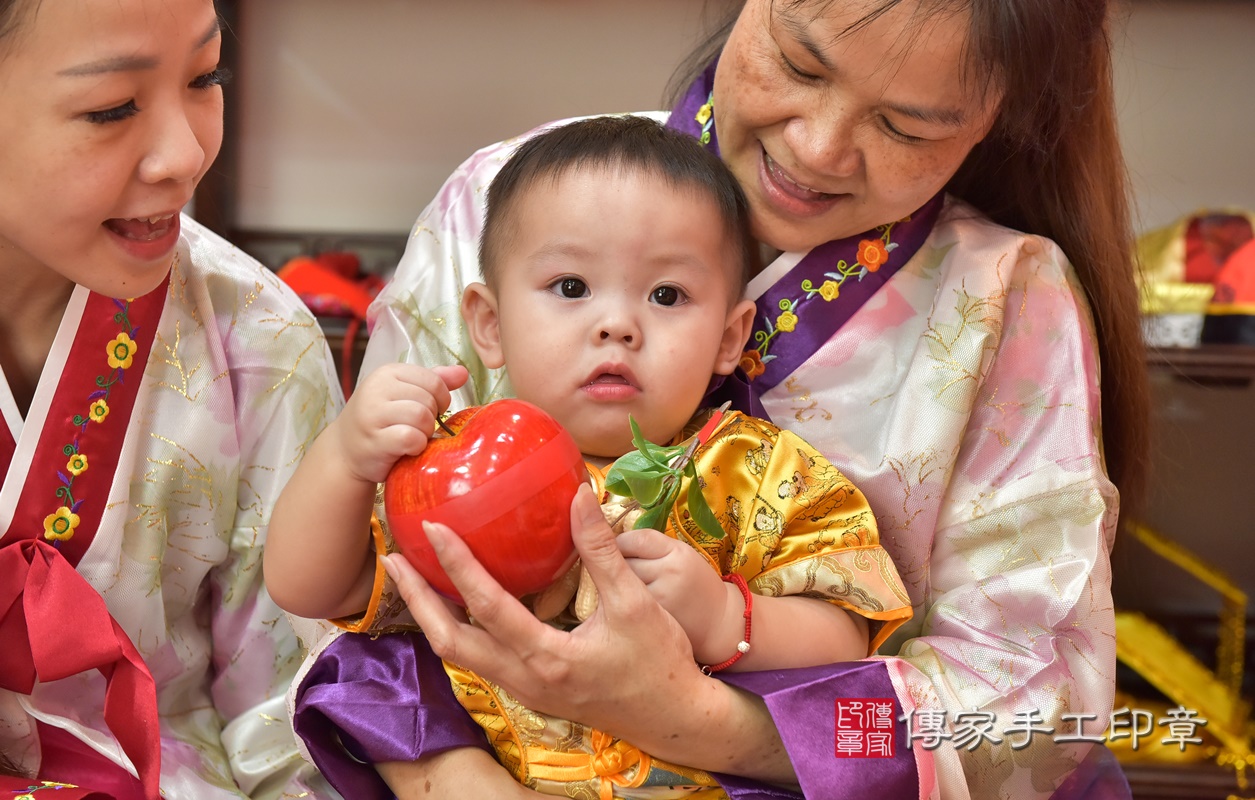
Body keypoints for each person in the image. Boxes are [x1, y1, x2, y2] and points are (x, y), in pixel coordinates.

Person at [293, 0, 1150, 797]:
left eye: (904, 125)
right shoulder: (507, 191)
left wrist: (698, 722)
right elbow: (352, 584)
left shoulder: (1004, 295)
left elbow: (1028, 714)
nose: (817, 149)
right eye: (798, 65)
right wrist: (453, 779)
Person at [267, 115, 914, 798]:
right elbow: (311, 588)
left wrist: (726, 618)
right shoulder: (446, 460)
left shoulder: (759, 470)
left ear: (729, 338)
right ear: (488, 324)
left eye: (666, 296)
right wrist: (344, 458)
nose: (616, 325)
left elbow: (848, 631)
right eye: (571, 288)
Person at [0, 0, 342, 797]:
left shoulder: (257, 336)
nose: (185, 156)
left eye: (205, 76)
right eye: (111, 107)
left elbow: (292, 710)